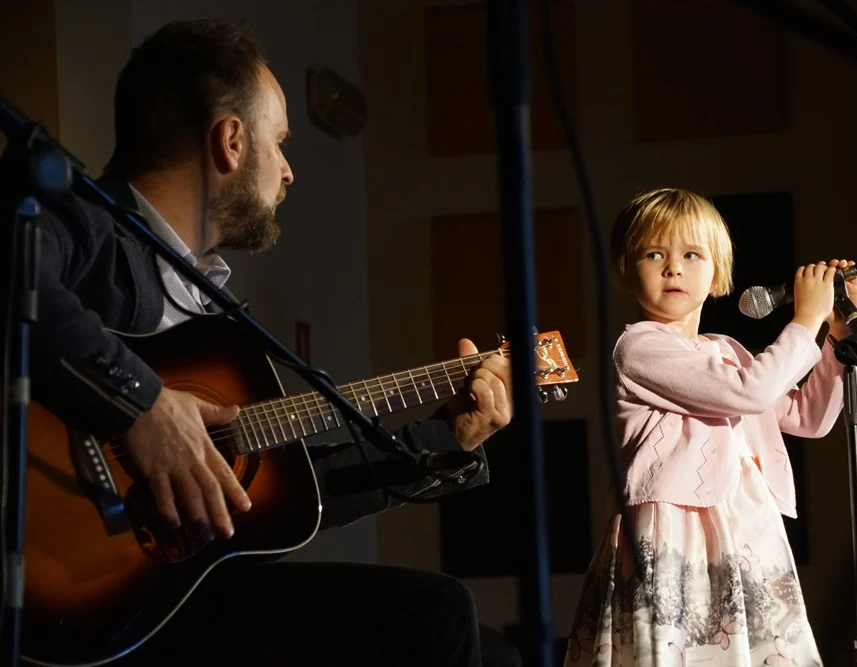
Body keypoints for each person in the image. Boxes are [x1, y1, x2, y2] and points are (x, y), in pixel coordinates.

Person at [31, 18, 519, 667]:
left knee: (492, 650)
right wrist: (142, 405)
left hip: (167, 594)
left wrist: (446, 439)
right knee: (437, 616)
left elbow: (288, 495)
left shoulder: (216, 319)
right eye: (280, 142)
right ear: (231, 141)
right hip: (71, 592)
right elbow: (14, 284)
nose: (288, 172)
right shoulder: (84, 223)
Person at [563, 188, 857, 666]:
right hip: (675, 532)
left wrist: (836, 339)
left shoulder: (726, 351)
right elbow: (750, 391)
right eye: (654, 253)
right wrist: (805, 320)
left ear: (717, 271)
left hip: (744, 529)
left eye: (691, 254)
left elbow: (809, 417)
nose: (673, 267)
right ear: (626, 269)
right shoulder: (640, 348)